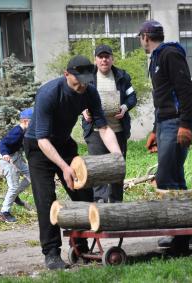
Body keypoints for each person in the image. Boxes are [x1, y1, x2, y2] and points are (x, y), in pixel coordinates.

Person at [23, 55, 122, 270]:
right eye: (78, 80)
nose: (83, 85)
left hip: (64, 143)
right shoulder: (49, 94)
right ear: (67, 74)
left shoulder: (90, 92)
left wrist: (117, 154)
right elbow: (42, 139)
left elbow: (103, 128)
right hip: (39, 146)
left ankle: (80, 246)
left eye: (87, 80)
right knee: (46, 200)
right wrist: (65, 168)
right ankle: (51, 253)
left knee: (83, 193)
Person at [138, 20, 192, 248]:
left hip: (176, 123)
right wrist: (155, 129)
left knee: (166, 177)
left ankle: (178, 234)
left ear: (145, 37)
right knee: (175, 175)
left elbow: (186, 90)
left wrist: (185, 124)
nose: (141, 42)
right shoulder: (155, 59)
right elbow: (162, 98)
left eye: (140, 38)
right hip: (165, 123)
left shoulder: (169, 54)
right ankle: (186, 231)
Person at [82, 44, 137, 203]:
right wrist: (83, 110)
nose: (104, 60)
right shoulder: (88, 76)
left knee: (117, 167)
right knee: (98, 168)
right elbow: (77, 97)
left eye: (107, 57)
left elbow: (132, 97)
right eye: (101, 57)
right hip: (95, 131)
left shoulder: (122, 76)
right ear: (96, 60)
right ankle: (99, 201)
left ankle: (116, 202)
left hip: (118, 130)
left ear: (112, 59)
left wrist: (125, 107)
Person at [0, 107, 33, 223]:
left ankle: (15, 196)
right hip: (8, 160)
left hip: (17, 157)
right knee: (13, 186)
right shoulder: (17, 131)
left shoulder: (24, 131)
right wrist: (4, 154)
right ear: (25, 121)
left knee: (31, 176)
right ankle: (4, 211)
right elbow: (3, 142)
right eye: (33, 122)